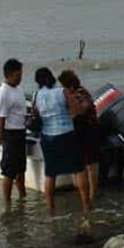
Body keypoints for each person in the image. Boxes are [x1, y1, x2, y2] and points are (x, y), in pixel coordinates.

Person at [33, 67, 90, 216]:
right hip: (66, 134)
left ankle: (50, 207)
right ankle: (86, 205)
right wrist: (84, 106)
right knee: (79, 169)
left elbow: (35, 115)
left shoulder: (36, 95)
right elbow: (76, 110)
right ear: (51, 77)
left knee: (50, 173)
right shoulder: (62, 92)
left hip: (47, 136)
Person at [0, 58, 27, 205]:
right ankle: (7, 202)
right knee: (9, 171)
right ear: (9, 75)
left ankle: (22, 197)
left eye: (21, 74)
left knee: (21, 168)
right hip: (10, 134)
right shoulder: (3, 92)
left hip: (21, 131)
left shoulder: (18, 89)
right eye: (18, 75)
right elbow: (1, 118)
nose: (20, 78)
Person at [58, 69, 101, 203]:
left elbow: (84, 108)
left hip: (88, 131)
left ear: (70, 85)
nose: (63, 89)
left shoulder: (80, 94)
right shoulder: (79, 92)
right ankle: (88, 193)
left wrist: (72, 113)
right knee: (87, 164)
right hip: (84, 130)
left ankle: (92, 194)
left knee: (89, 164)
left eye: (64, 86)